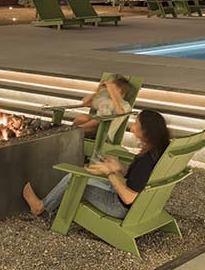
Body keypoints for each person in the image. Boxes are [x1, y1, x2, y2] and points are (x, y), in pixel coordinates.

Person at [23, 108, 169, 219]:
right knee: (85, 174)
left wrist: (110, 172)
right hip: (139, 204)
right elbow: (138, 180)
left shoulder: (146, 160)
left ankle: (41, 207)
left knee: (73, 179)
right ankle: (52, 203)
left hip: (118, 206)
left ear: (146, 130)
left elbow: (128, 198)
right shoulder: (157, 151)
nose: (132, 126)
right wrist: (119, 169)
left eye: (137, 124)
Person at [71, 73, 135, 133]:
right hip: (93, 126)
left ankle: (74, 129)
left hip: (103, 132)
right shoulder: (106, 100)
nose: (108, 90)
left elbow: (120, 113)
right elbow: (85, 103)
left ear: (119, 90)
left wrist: (111, 92)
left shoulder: (126, 105)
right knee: (83, 117)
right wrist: (98, 91)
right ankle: (72, 130)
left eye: (112, 88)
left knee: (99, 119)